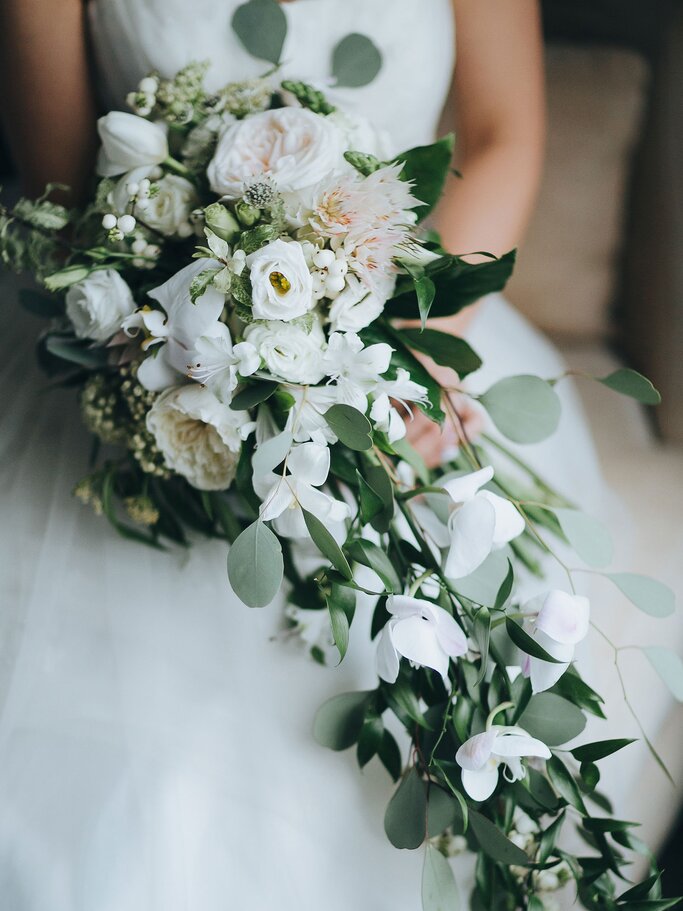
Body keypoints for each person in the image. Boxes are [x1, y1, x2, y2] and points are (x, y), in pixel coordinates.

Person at [0, 1, 678, 908]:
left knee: (437, 700)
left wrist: (399, 361)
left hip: (407, 332)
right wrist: (206, 352)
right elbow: (61, 189)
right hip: (152, 344)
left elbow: (502, 130)